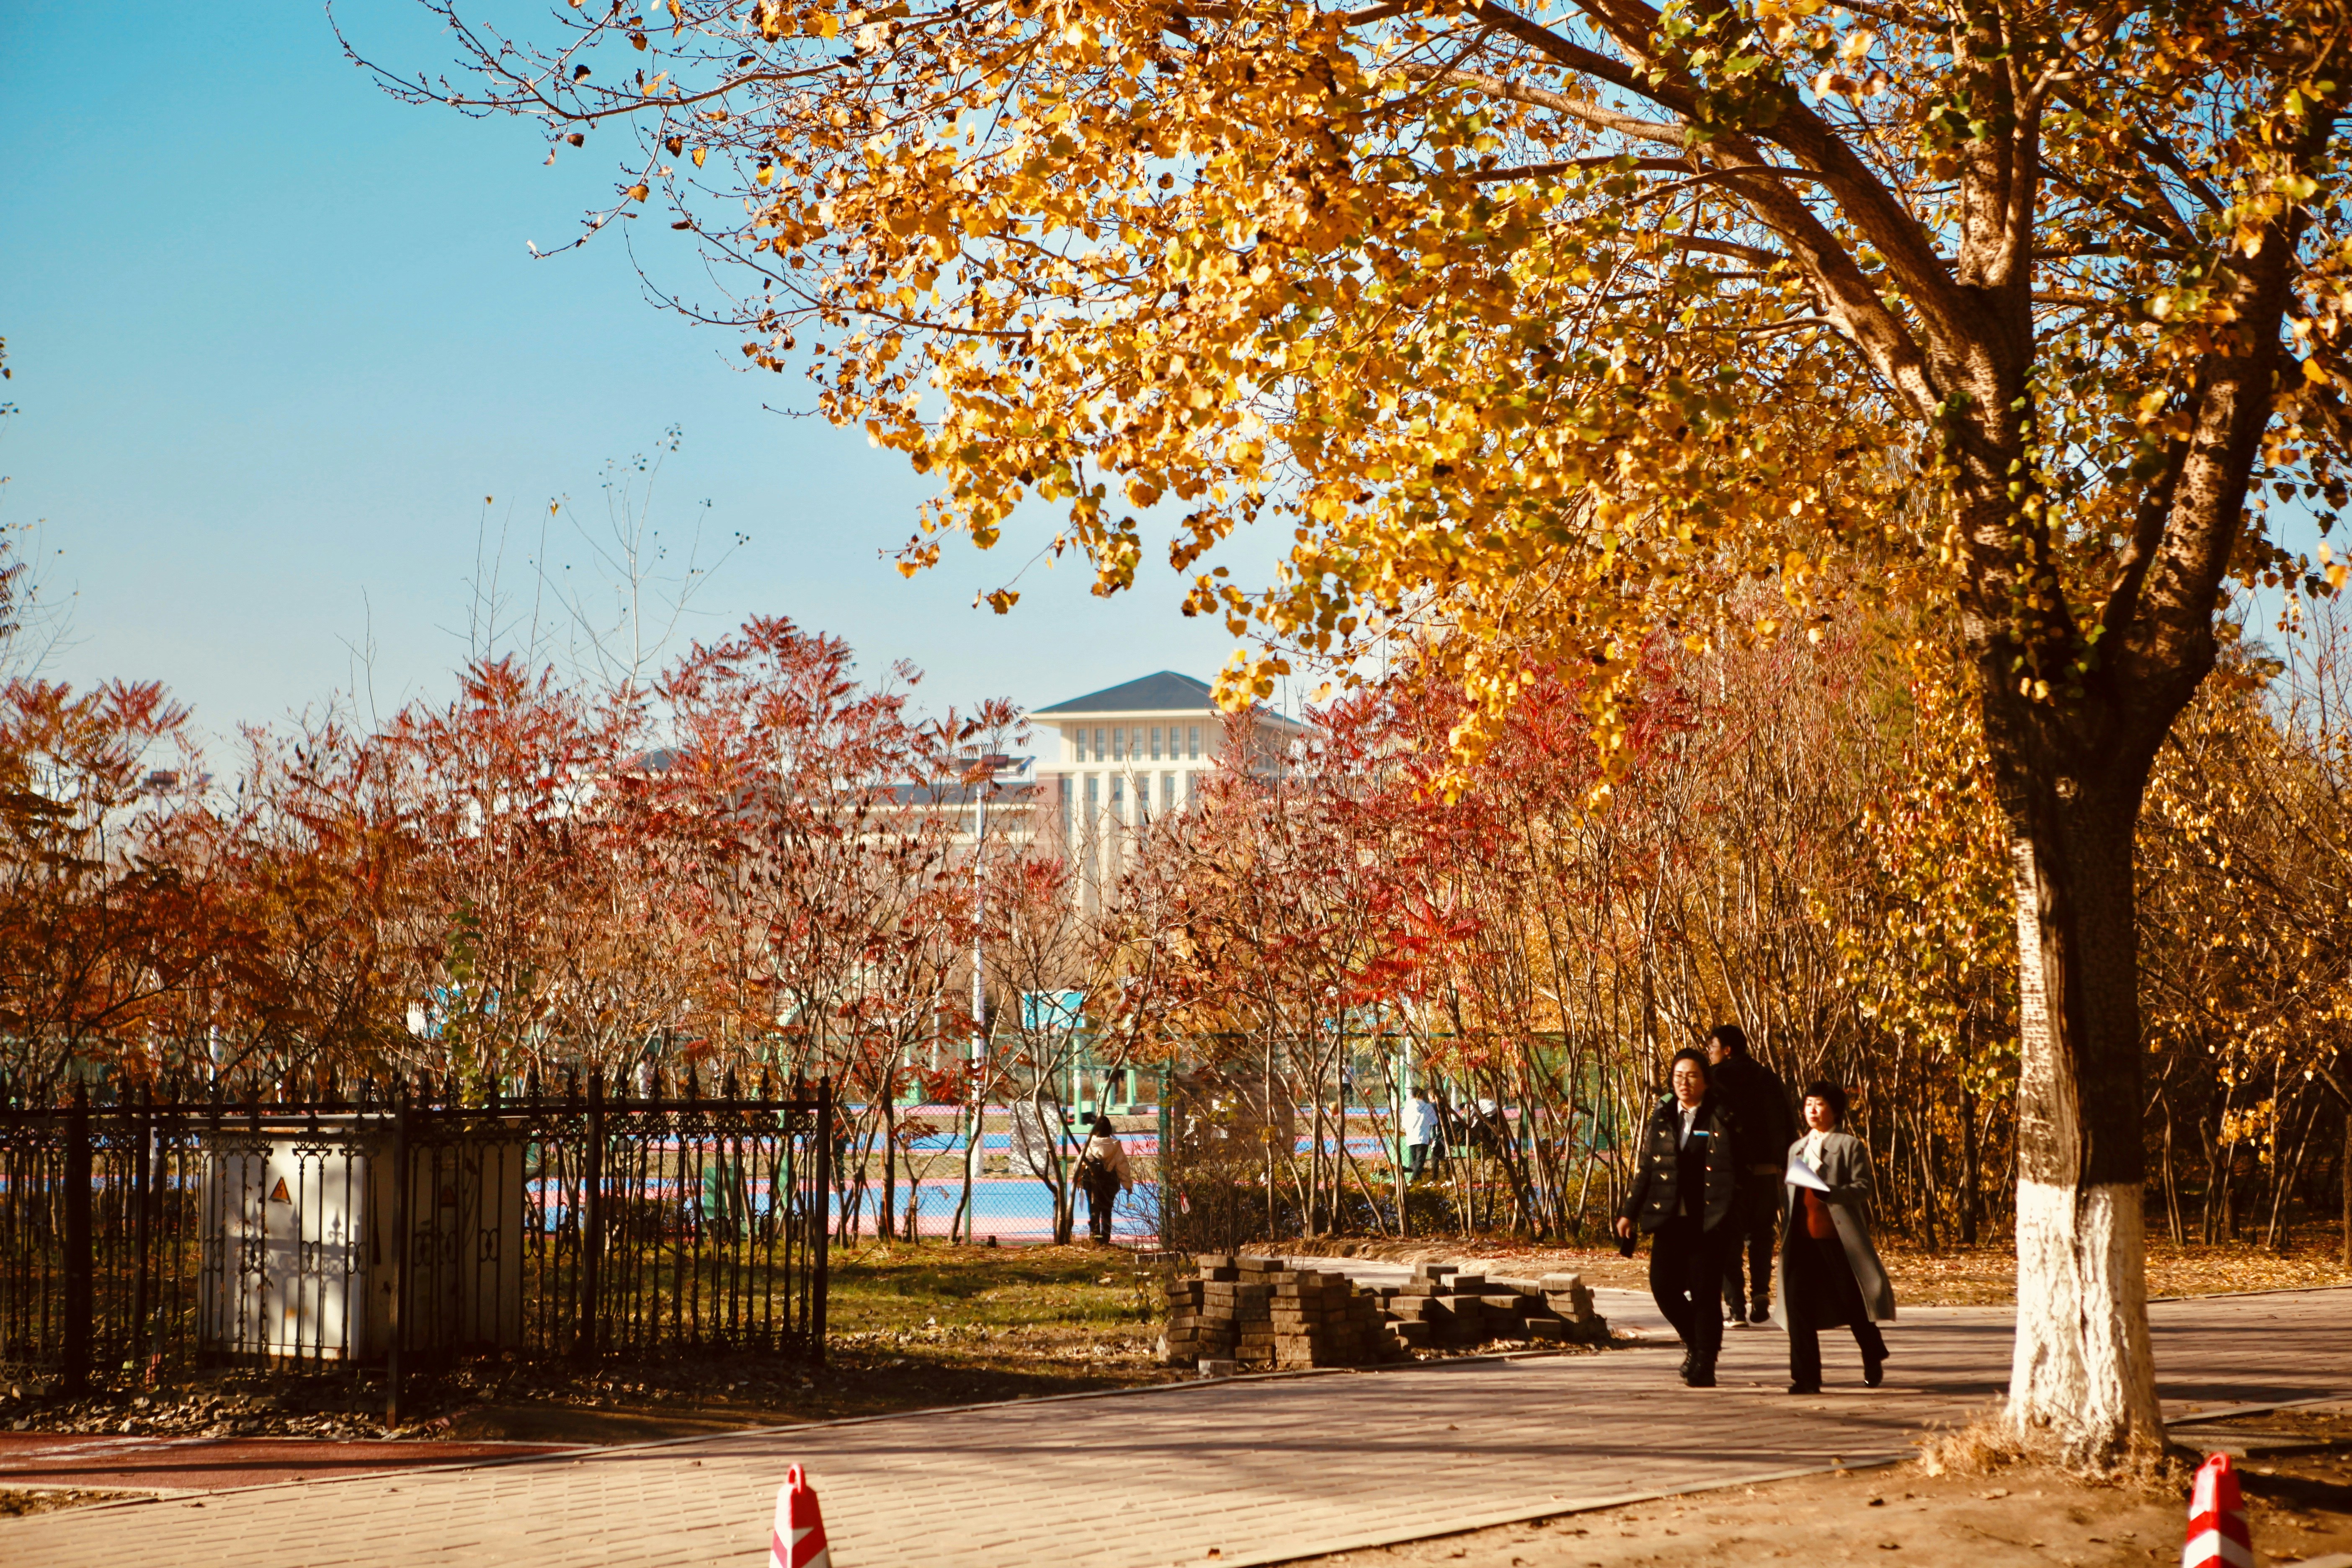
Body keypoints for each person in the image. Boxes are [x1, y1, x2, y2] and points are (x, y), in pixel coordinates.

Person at [1615, 1047, 1743, 1387]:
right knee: (1663, 1287)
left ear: (1706, 1080)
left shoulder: (1722, 1115)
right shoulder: (1664, 1113)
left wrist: (1738, 1214)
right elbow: (1648, 1167)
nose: (1685, 1083)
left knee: (1704, 1294)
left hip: (1709, 1220)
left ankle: (1705, 1362)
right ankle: (1697, 1344)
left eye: (1692, 1076)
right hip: (1670, 1217)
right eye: (1679, 1076)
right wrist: (1629, 1212)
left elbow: (1739, 1171)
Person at [1777, 1081, 1895, 1394]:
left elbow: (1864, 1187)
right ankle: (1806, 1378)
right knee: (1797, 1306)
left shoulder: (1849, 1146)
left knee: (1853, 1302)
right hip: (1801, 1240)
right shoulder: (1796, 1149)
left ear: (1835, 1110)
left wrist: (1832, 1192)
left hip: (1836, 1238)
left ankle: (1872, 1351)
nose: (1812, 1111)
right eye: (1808, 1104)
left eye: (1820, 1105)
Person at [1705, 1023, 1795, 1326]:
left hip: (1730, 1174)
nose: (1709, 1053)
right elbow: (1787, 1119)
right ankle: (1760, 1294)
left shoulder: (1716, 1080)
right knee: (1762, 1235)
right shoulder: (1767, 1077)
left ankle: (1735, 1307)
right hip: (1767, 1171)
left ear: (1727, 1050)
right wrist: (1786, 1163)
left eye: (1712, 1047)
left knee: (1727, 1240)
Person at [1075, 1113, 1132, 1244]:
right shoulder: (1115, 1145)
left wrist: (1078, 1178)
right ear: (1109, 1129)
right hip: (1110, 1183)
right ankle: (1105, 1239)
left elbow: (1081, 1163)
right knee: (1107, 1211)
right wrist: (1127, 1186)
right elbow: (1122, 1166)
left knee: (1093, 1209)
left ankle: (1095, 1237)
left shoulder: (1090, 1144)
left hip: (1092, 1182)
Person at [1403, 1088, 1439, 1182]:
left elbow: (1404, 1124)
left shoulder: (1408, 1107)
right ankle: (1414, 1180)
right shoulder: (1428, 1107)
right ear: (1423, 1095)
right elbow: (1434, 1121)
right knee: (1420, 1161)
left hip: (1411, 1136)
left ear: (1412, 1096)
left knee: (1416, 1161)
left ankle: (1416, 1179)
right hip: (1423, 1136)